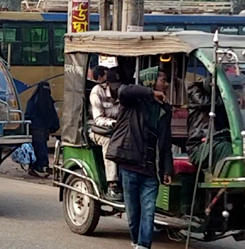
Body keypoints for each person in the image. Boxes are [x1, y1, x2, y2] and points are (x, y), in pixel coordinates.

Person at [107, 67, 173, 249]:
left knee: (149, 211)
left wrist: (167, 169)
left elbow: (166, 143)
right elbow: (124, 90)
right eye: (163, 80)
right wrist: (151, 93)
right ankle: (136, 242)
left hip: (151, 170)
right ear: (151, 81)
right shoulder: (132, 102)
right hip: (130, 166)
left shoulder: (165, 110)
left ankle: (143, 246)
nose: (166, 84)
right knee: (133, 212)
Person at [89, 66, 122, 201]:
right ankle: (112, 183)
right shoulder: (97, 92)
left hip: (119, 130)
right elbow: (98, 119)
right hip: (98, 129)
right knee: (109, 142)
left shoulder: (124, 93)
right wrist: (113, 123)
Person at [186, 75, 232, 170]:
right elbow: (203, 101)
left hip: (219, 140)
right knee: (226, 149)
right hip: (199, 144)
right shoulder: (195, 89)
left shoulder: (220, 102)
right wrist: (229, 100)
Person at [24, 81, 59, 178]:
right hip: (39, 128)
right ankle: (40, 167)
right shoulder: (47, 100)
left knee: (38, 148)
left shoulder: (33, 100)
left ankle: (38, 167)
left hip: (38, 128)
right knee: (40, 148)